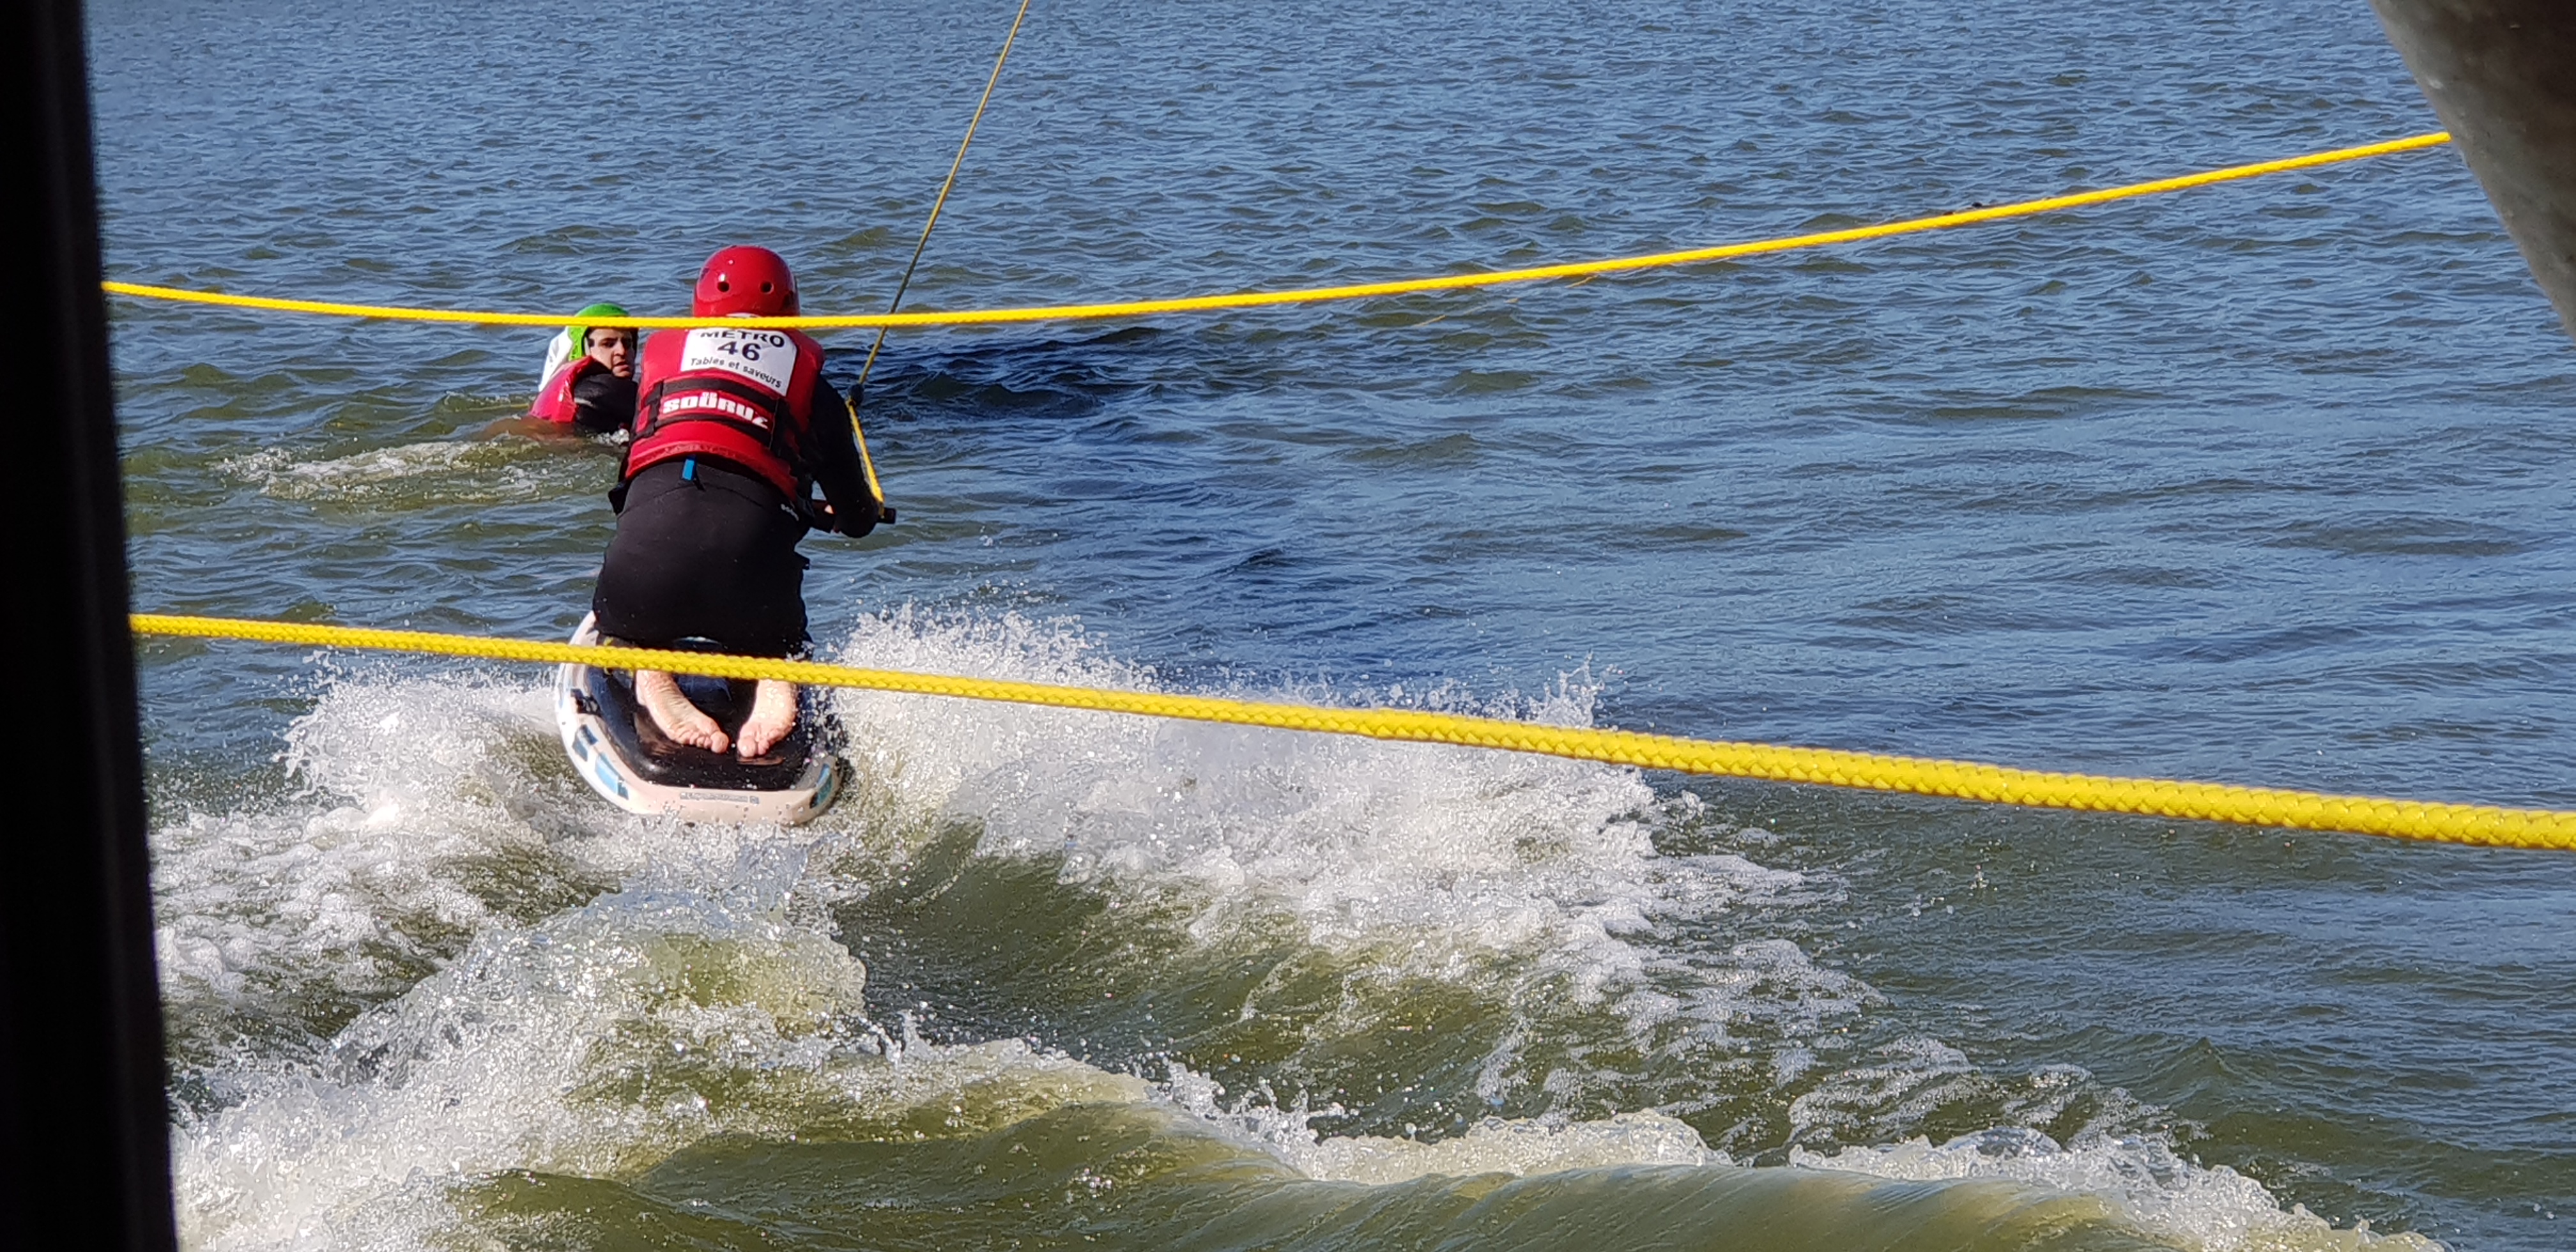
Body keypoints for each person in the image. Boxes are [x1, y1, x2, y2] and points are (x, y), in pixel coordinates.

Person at [590, 247, 882, 758]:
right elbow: (858, 519)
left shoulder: (658, 372)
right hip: (753, 585)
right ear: (790, 308)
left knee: (621, 623)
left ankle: (649, 665)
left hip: (641, 578)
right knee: (779, 632)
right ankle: (776, 668)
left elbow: (643, 480)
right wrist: (842, 512)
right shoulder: (814, 388)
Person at [528, 303, 640, 433]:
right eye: (608, 344)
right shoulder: (593, 390)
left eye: (628, 343)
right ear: (583, 350)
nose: (622, 351)